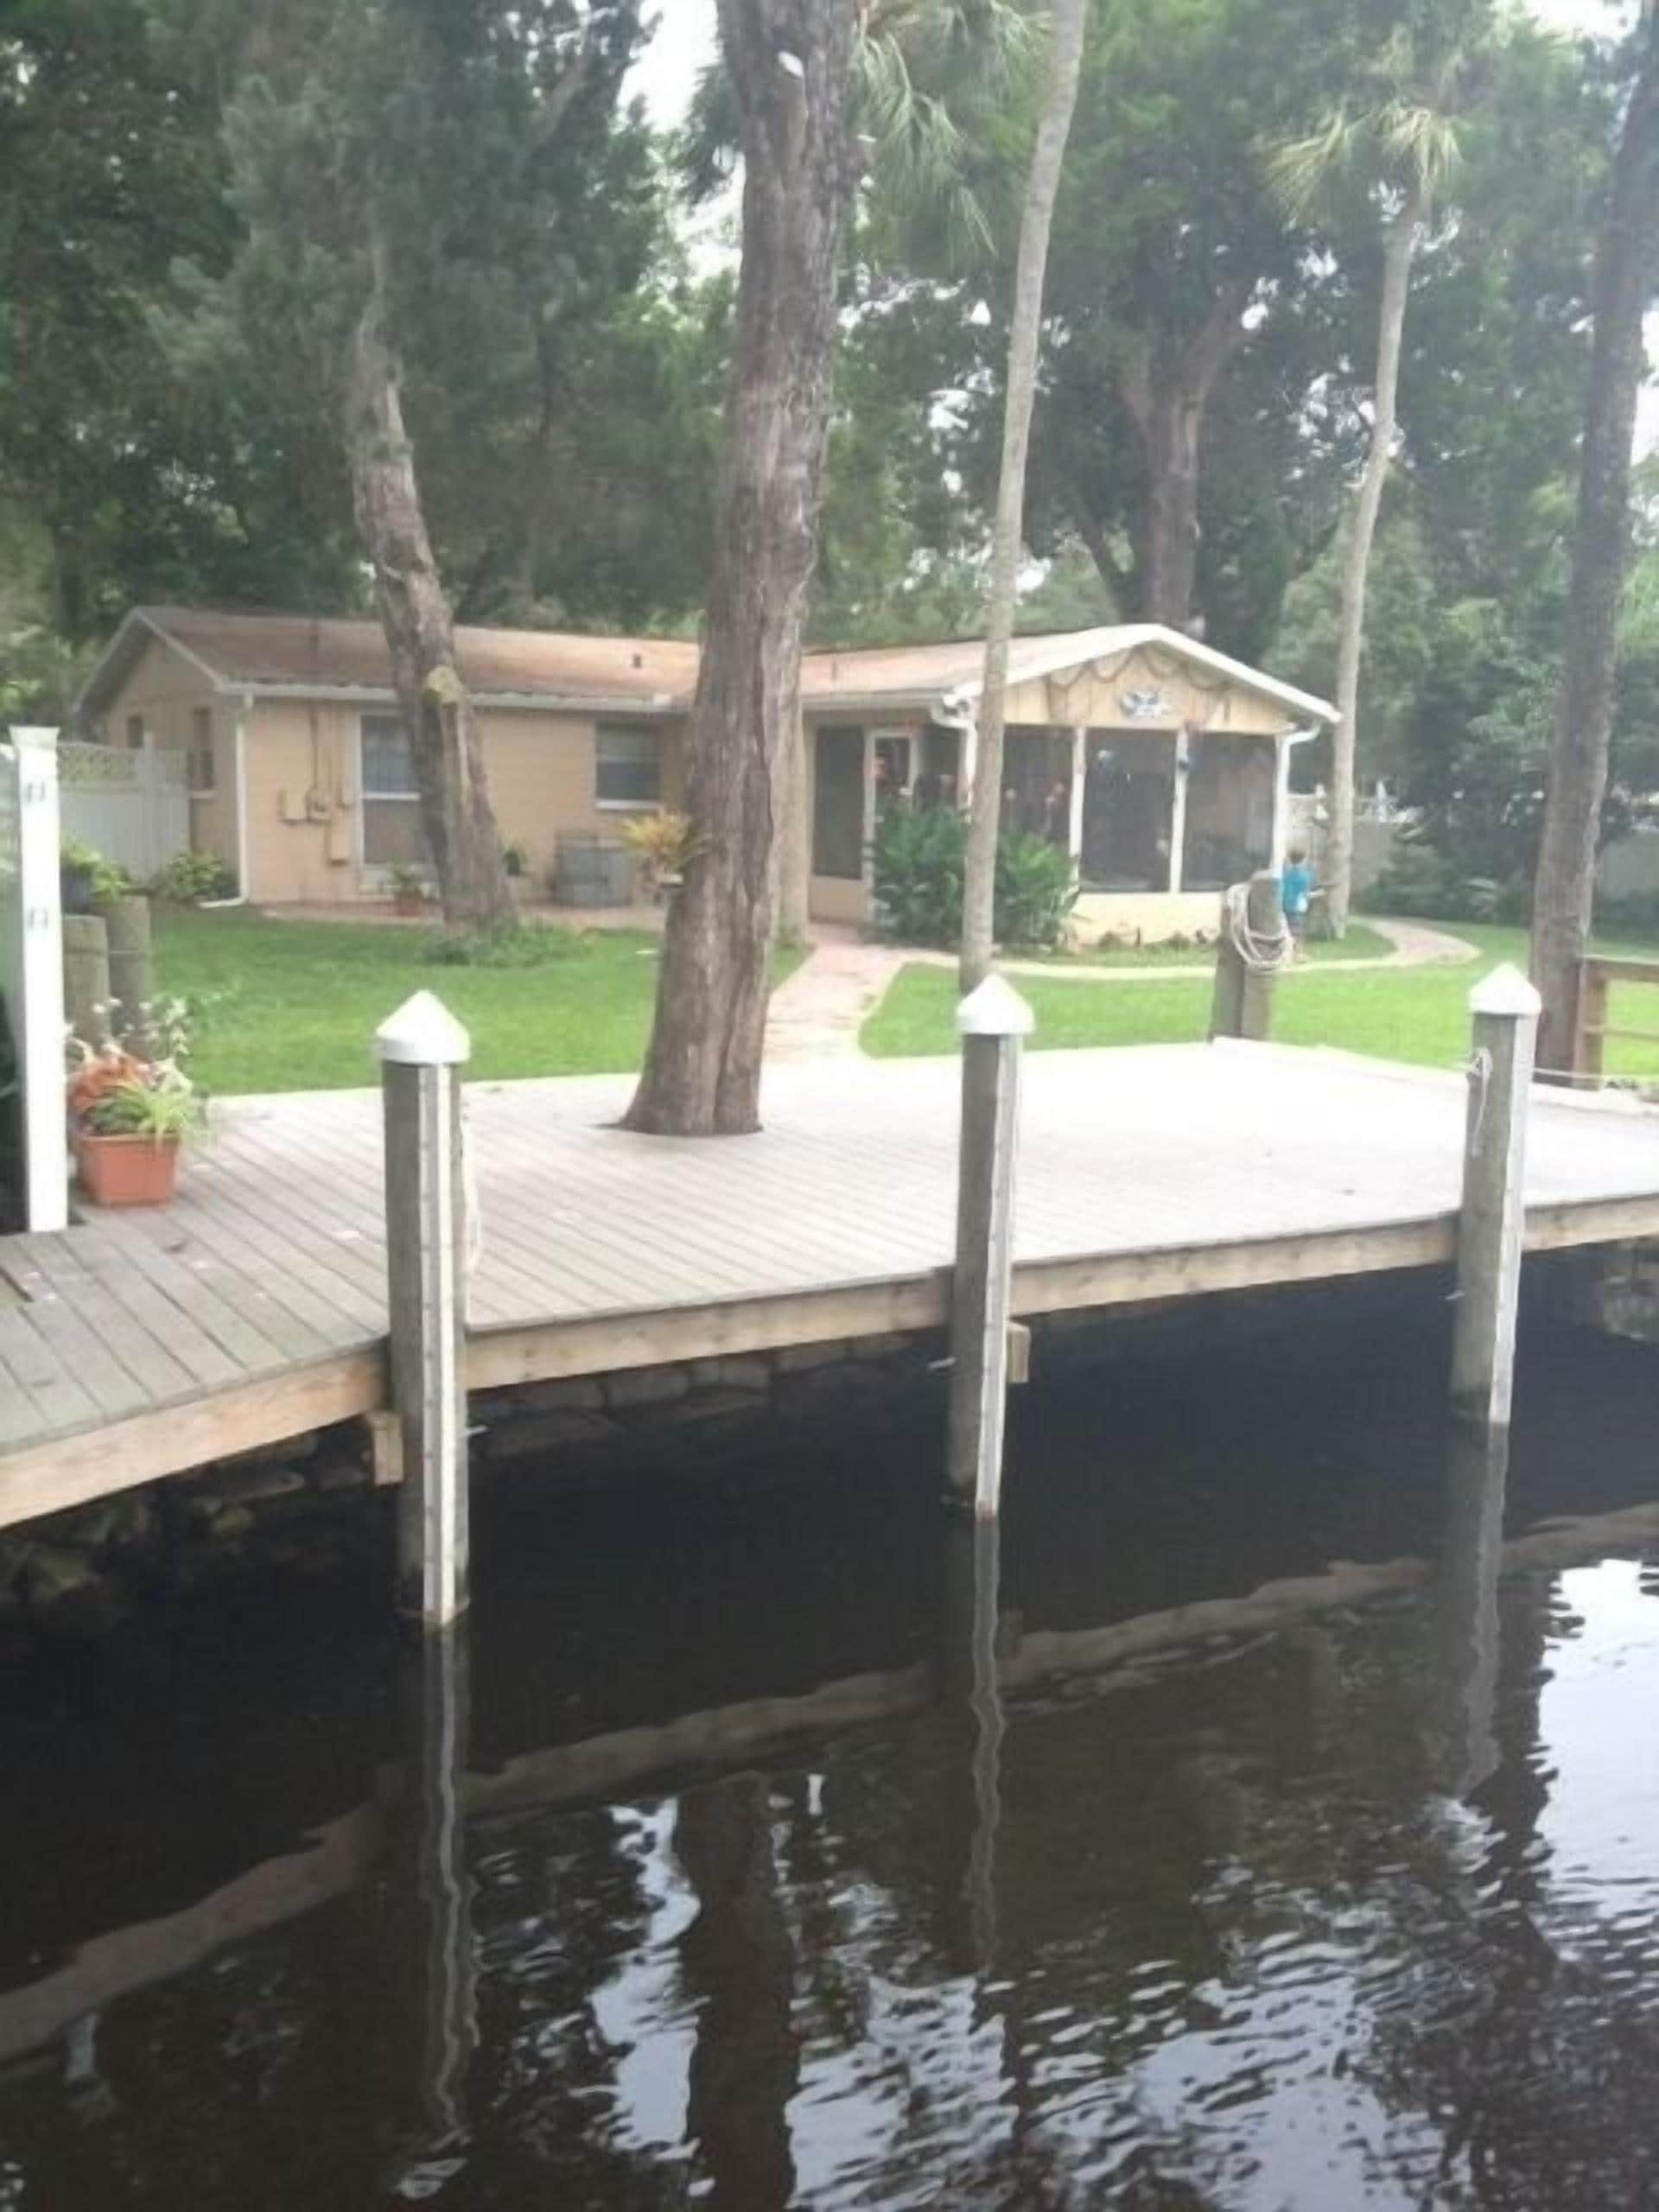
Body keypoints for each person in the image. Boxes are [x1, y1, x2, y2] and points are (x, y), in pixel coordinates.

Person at [1281, 846, 1313, 952]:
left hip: (1285, 905)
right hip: (1298, 907)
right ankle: (1297, 953)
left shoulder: (1287, 874)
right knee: (1297, 932)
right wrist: (1320, 894)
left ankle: (1291, 952)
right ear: (1304, 859)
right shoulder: (1305, 875)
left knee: (1289, 930)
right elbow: (1306, 894)